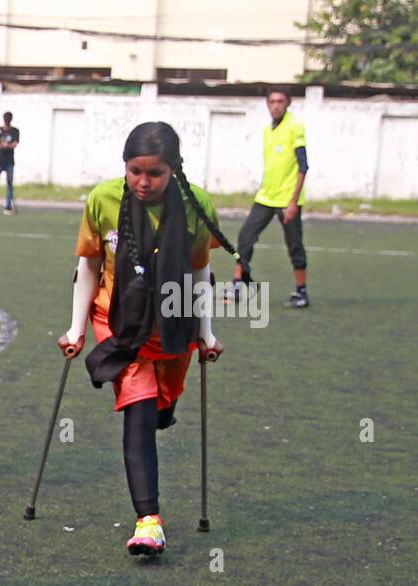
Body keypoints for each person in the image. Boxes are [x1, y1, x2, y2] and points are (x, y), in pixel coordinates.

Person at [59, 121, 234, 557]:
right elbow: (89, 266)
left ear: (173, 169)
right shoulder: (103, 199)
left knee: (160, 407)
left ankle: (162, 409)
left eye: (154, 173)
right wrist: (77, 328)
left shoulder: (196, 206)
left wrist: (208, 334)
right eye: (134, 170)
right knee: (137, 407)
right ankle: (148, 521)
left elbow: (199, 274)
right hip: (119, 318)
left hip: (174, 319)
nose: (142, 181)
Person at [234, 88, 310, 308]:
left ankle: (301, 292)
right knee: (245, 237)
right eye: (272, 101)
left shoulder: (294, 126)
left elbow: (303, 166)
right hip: (266, 197)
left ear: (287, 104)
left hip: (288, 199)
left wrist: (293, 202)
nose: (275, 105)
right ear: (267, 104)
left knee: (294, 245)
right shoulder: (268, 130)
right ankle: (239, 283)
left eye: (280, 101)